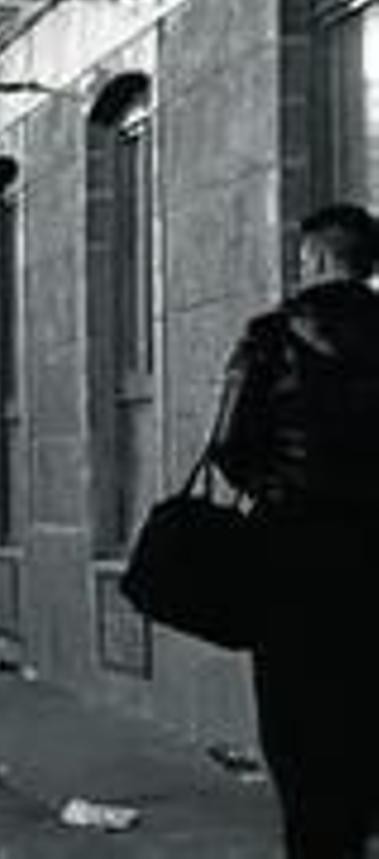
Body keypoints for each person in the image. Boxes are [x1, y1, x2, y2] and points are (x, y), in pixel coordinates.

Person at [211, 203, 379, 858]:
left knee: (299, 721)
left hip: (294, 555)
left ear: (312, 258)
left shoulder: (271, 336)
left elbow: (229, 446)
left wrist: (279, 488)